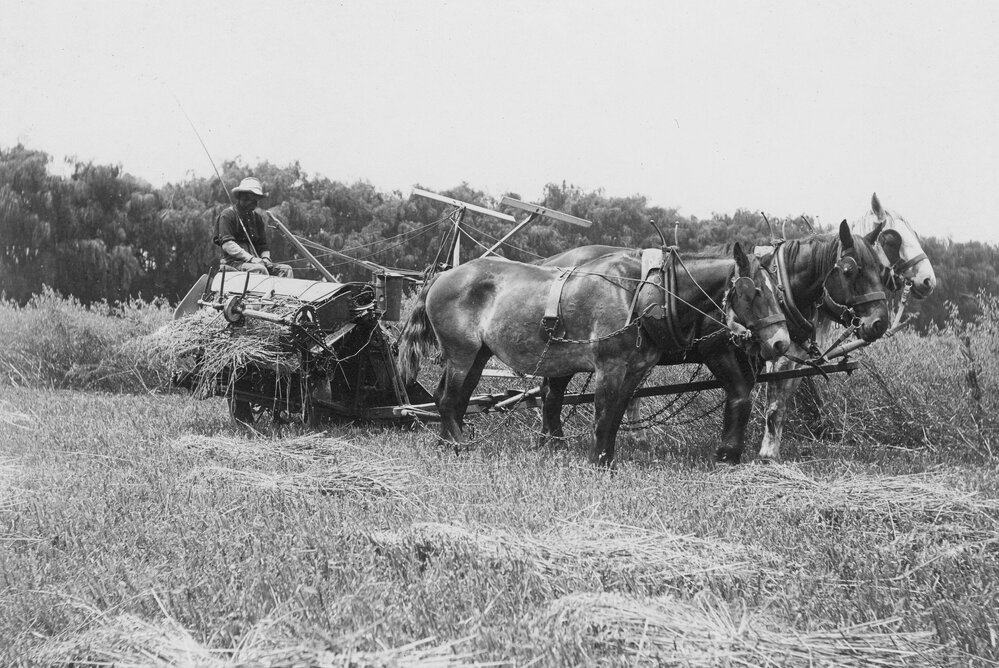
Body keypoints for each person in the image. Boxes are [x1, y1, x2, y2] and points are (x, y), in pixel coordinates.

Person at [213, 177, 293, 277]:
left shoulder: (257, 218)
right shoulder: (228, 215)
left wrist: (265, 259)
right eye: (250, 198)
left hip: (256, 262)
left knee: (286, 270)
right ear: (241, 197)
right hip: (234, 264)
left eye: (256, 198)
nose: (254, 202)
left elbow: (262, 245)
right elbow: (227, 244)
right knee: (260, 270)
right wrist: (251, 259)